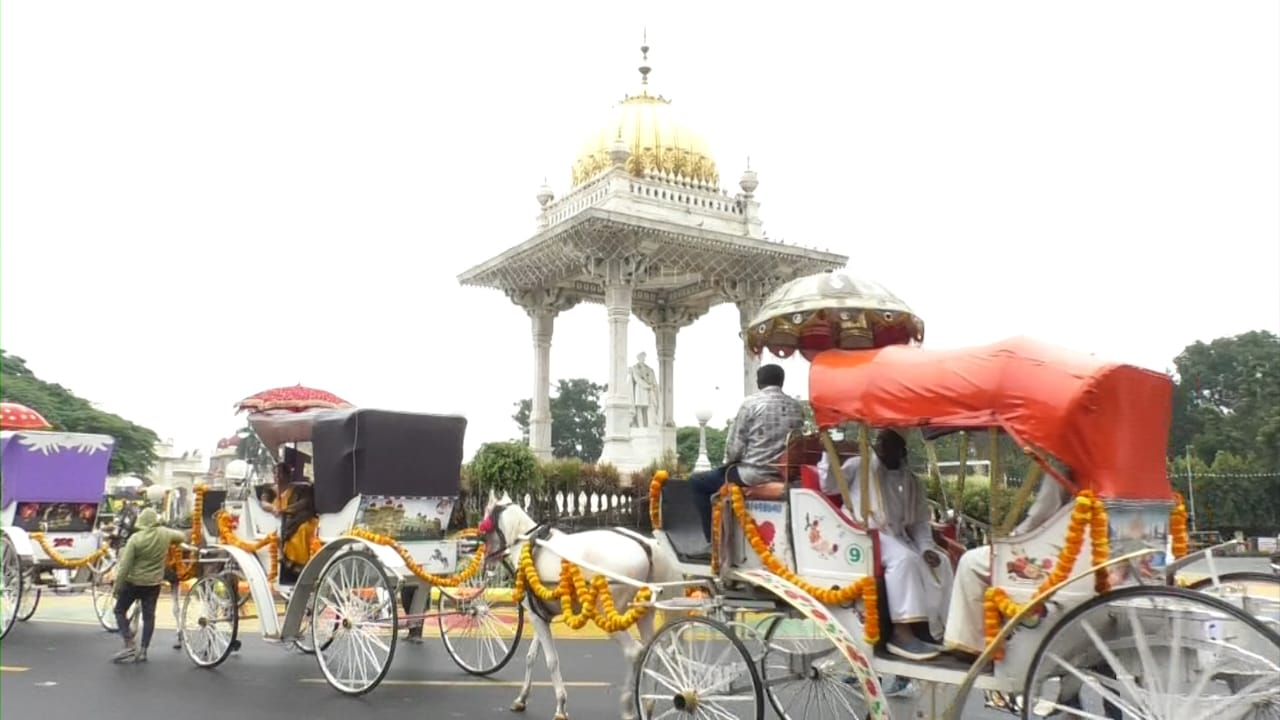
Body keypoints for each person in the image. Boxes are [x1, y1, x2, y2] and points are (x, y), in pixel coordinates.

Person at [818, 429, 955, 660]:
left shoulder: (911, 481)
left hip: (898, 537)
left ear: (901, 451)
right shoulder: (858, 465)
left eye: (888, 442)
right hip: (862, 533)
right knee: (904, 560)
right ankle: (902, 634)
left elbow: (920, 523)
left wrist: (927, 548)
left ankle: (933, 631)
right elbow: (830, 485)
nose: (880, 446)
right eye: (879, 440)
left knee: (940, 563)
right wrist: (828, 451)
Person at [941, 471, 1072, 658]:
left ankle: (971, 645)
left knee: (970, 561)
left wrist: (1013, 540)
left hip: (1055, 553)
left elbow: (1041, 514)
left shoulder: (1062, 463)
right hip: (1078, 549)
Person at [688, 364, 805, 553]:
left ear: (760, 381)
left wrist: (727, 463)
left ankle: (714, 544)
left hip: (752, 474)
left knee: (697, 482)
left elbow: (735, 447)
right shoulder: (796, 407)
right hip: (785, 474)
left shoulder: (751, 404)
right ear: (781, 381)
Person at [111, 507, 190, 663]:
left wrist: (117, 587)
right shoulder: (165, 534)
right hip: (153, 584)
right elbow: (182, 536)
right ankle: (144, 650)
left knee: (119, 610)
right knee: (149, 617)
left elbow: (124, 567)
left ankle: (129, 643)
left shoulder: (135, 539)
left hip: (133, 582)